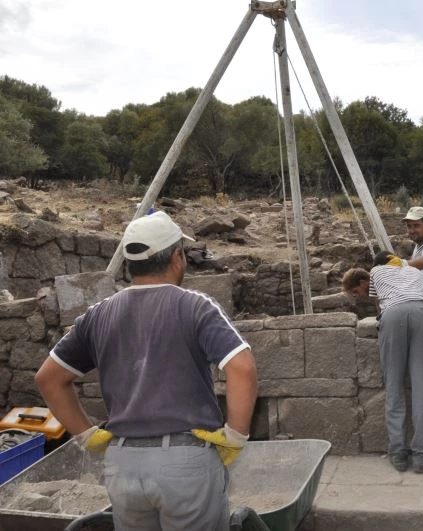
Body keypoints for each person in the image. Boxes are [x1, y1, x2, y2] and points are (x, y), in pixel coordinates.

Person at [35, 210, 258, 531]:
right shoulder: (196, 306)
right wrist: (234, 436)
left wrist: (86, 435)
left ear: (130, 264)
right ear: (177, 257)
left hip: (122, 464)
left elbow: (49, 378)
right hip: (185, 462)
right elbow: (242, 367)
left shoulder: (98, 315)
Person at [342, 250, 423, 473]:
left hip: (393, 315)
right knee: (422, 389)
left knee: (394, 387)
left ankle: (398, 453)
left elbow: (379, 306)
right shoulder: (416, 272)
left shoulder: (376, 271)